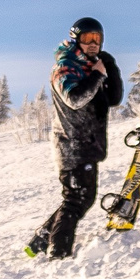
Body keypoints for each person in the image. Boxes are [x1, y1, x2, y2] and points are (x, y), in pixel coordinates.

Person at [23, 17, 124, 260]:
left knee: (79, 198)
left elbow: (113, 100)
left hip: (87, 144)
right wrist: (97, 76)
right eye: (87, 39)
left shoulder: (91, 68)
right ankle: (58, 252)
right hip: (72, 145)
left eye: (97, 39)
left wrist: (110, 68)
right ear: (76, 40)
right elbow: (75, 98)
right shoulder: (65, 67)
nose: (93, 44)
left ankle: (39, 241)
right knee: (78, 199)